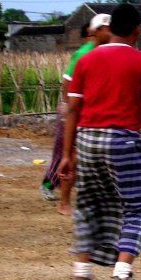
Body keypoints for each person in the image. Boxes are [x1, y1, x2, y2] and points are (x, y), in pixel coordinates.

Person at [58, 3, 141, 280]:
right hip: (123, 141)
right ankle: (122, 275)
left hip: (87, 140)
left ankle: (82, 274)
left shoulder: (85, 61)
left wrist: (67, 153)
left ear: (110, 29)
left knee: (89, 203)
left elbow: (72, 110)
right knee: (139, 206)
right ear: (138, 31)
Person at [41, 14, 111, 215]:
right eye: (106, 28)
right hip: (77, 112)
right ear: (95, 31)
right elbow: (67, 83)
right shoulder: (83, 54)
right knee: (70, 155)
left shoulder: (106, 53)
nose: (111, 32)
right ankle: (61, 198)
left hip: (94, 112)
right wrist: (69, 108)